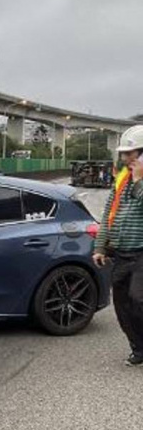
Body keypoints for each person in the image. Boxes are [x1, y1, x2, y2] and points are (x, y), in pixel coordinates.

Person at [92, 124, 143, 367]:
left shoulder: (138, 181)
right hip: (122, 254)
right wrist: (100, 247)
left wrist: (139, 181)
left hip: (142, 254)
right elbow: (108, 214)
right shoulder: (121, 181)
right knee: (122, 306)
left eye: (130, 154)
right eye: (123, 154)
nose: (124, 159)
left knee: (138, 299)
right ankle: (138, 348)